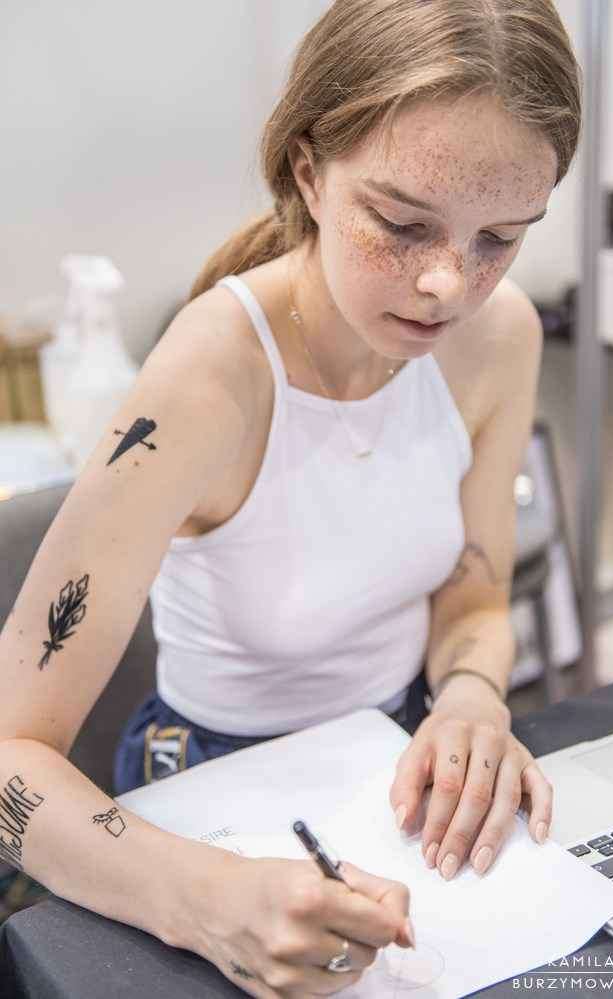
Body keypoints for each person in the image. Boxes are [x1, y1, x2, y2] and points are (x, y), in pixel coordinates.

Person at [0, 0, 582, 994]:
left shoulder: (498, 338)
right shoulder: (211, 377)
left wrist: (471, 695)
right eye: (401, 225)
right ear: (308, 171)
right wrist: (200, 898)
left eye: (498, 239)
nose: (448, 284)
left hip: (393, 755)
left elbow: (475, 591)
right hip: (206, 779)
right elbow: (10, 753)